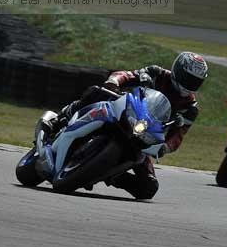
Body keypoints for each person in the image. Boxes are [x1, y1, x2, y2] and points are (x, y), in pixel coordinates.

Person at [44, 52, 209, 200]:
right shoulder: (157, 73)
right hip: (123, 112)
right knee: (97, 91)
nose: (190, 84)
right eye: (188, 78)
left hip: (143, 136)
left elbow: (179, 136)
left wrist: (165, 147)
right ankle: (61, 118)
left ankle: (110, 174)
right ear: (177, 70)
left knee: (149, 188)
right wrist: (114, 81)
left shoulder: (191, 108)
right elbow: (126, 75)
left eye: (195, 82)